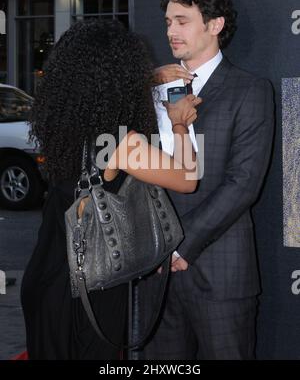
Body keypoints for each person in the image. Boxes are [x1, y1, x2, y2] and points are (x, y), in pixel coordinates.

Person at [20, 19, 201, 360]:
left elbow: (94, 88)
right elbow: (188, 178)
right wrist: (179, 123)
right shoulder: (117, 142)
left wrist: (148, 80)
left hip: (46, 281)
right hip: (88, 288)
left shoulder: (63, 127)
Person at [142, 0, 274, 360]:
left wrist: (181, 245)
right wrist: (147, 81)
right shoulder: (152, 87)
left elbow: (244, 183)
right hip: (154, 274)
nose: (171, 30)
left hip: (218, 273)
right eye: (168, 21)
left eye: (182, 21)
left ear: (214, 25)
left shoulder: (249, 90)